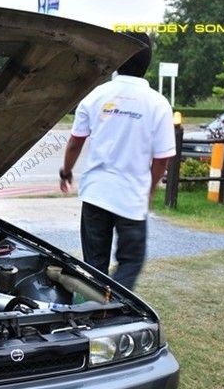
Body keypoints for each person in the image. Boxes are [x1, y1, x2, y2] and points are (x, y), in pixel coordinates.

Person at [59, 32, 175, 290]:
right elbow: (162, 159)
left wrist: (66, 171)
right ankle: (115, 303)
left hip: (96, 194)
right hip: (132, 197)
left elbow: (76, 142)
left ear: (117, 59)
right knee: (131, 261)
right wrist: (149, 190)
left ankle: (100, 302)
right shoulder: (158, 104)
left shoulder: (96, 96)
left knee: (95, 265)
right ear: (148, 63)